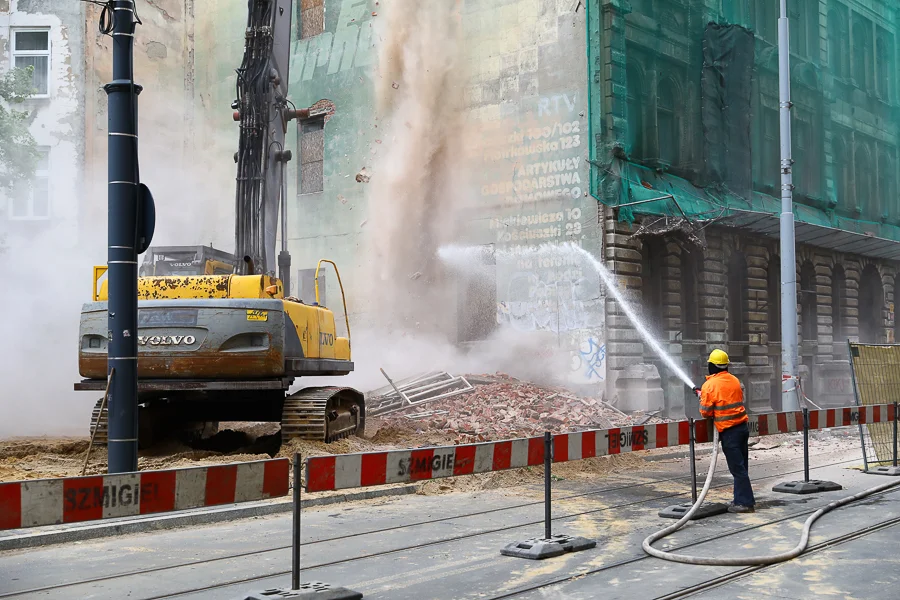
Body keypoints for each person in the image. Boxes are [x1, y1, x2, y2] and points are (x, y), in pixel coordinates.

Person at [692, 349, 755, 513]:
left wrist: (703, 396)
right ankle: (739, 499)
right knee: (742, 467)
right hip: (742, 428)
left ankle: (745, 503)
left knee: (738, 469)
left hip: (729, 432)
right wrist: (703, 394)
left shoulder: (709, 385)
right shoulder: (734, 380)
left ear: (711, 366)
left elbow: (705, 412)